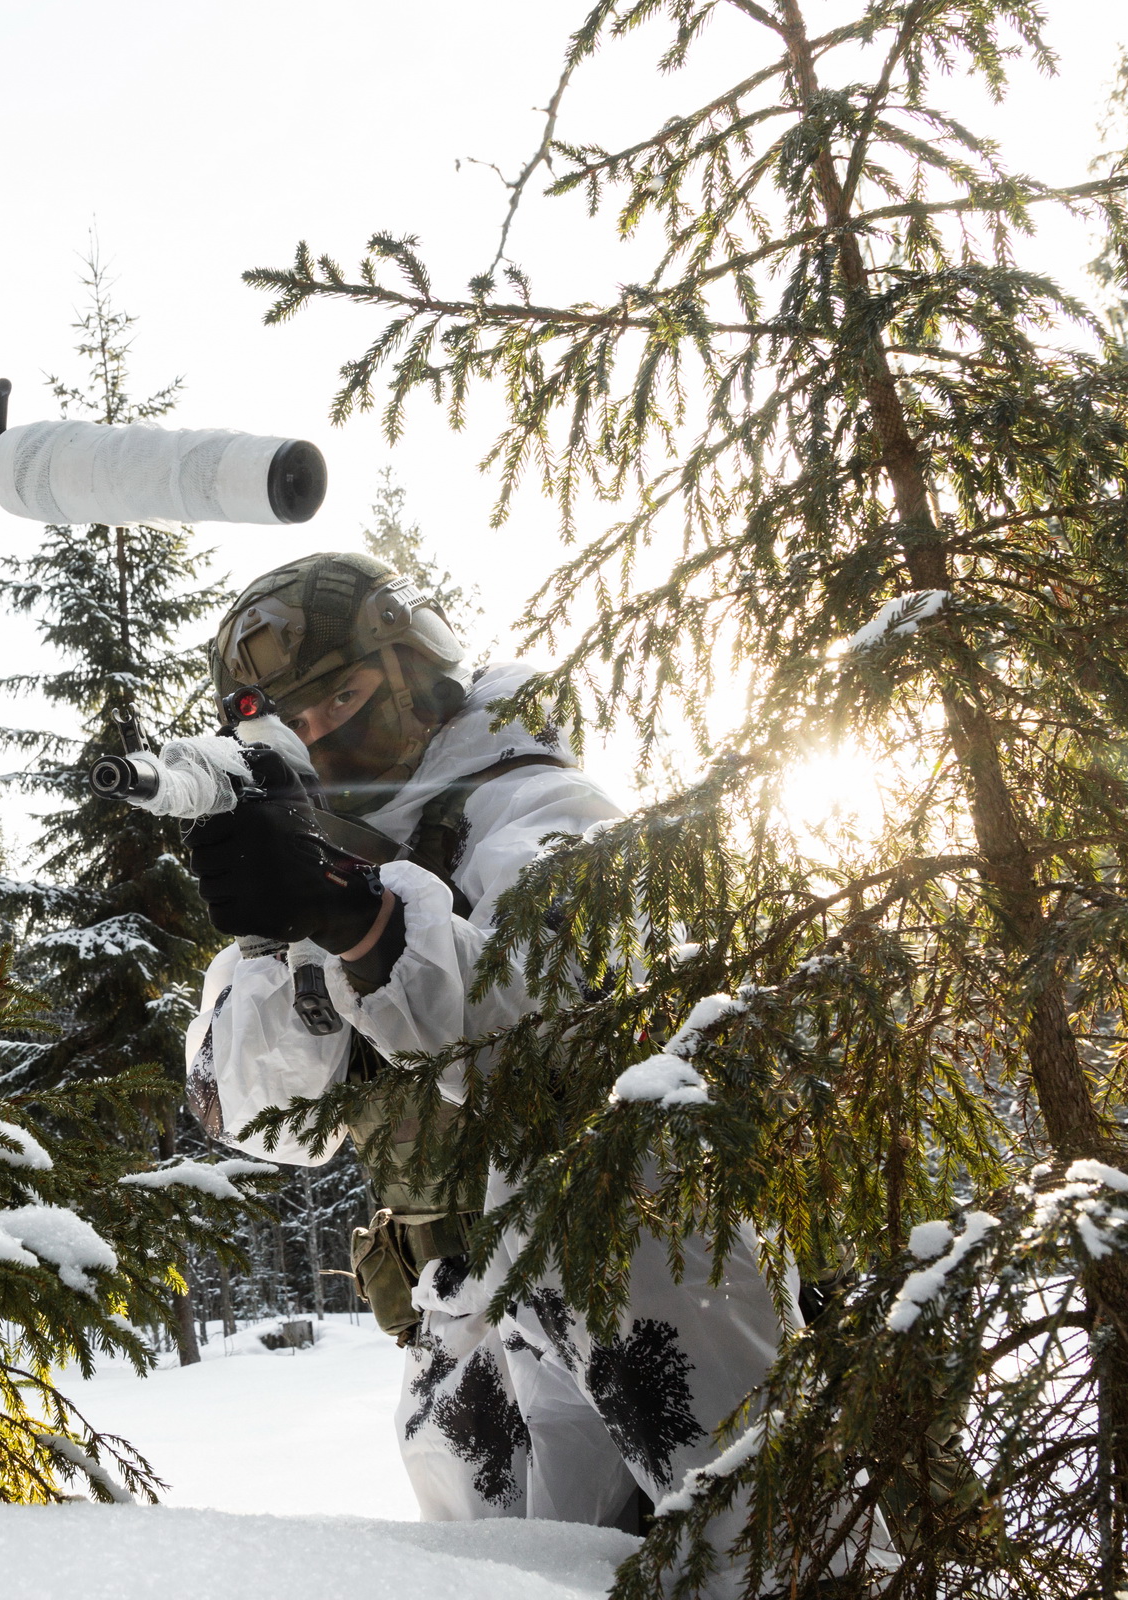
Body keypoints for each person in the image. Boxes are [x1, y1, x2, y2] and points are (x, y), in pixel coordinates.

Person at [183, 554, 790, 1585]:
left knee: (765, 1549)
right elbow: (265, 1118)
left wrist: (364, 924)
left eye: (344, 697)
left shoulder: (543, 810)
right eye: (295, 721)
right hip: (454, 1315)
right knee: (508, 1582)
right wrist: (275, 938)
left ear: (417, 666)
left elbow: (544, 1030)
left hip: (633, 1259)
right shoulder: (332, 848)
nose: (324, 736)